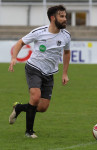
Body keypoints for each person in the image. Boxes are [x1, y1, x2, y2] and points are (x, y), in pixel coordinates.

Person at [8, 5, 71, 138]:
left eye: (65, 16)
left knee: (42, 108)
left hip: (49, 73)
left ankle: (18, 108)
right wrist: (14, 58)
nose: (65, 19)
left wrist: (65, 73)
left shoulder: (66, 36)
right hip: (34, 68)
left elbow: (66, 52)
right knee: (35, 98)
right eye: (62, 16)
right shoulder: (40, 32)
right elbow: (20, 42)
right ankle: (29, 131)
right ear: (53, 18)